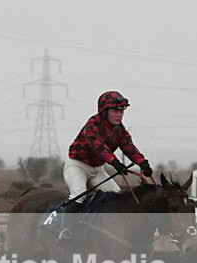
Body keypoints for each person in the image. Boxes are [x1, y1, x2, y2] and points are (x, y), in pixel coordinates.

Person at [58, 91, 154, 241]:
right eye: (116, 111)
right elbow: (99, 147)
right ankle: (65, 231)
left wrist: (142, 162)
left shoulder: (120, 130)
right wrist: (115, 162)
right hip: (77, 166)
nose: (120, 115)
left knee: (117, 195)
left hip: (97, 170)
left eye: (121, 111)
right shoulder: (92, 125)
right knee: (78, 194)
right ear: (104, 112)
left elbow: (129, 147)